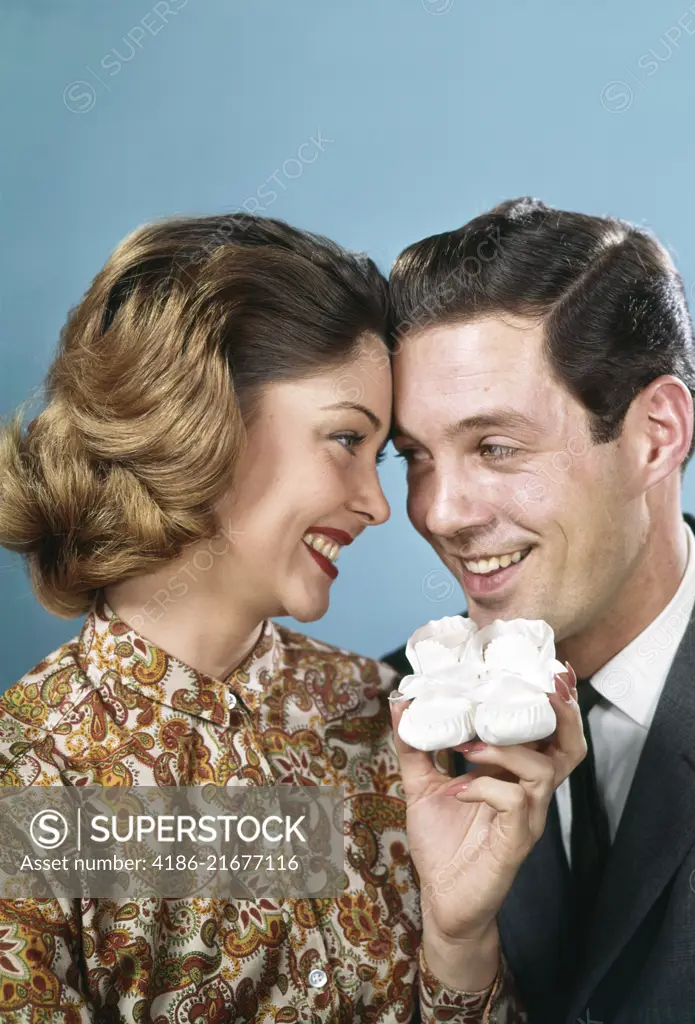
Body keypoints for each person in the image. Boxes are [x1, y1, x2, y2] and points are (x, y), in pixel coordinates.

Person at [0, 213, 585, 1022]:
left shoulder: (384, 716)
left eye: (381, 455)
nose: (381, 506)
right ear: (194, 415)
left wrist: (459, 936)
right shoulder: (31, 779)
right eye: (345, 437)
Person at [382, 198, 695, 1024]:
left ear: (656, 433)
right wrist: (456, 955)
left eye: (496, 447)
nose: (439, 512)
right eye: (416, 457)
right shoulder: (378, 727)